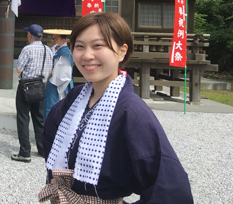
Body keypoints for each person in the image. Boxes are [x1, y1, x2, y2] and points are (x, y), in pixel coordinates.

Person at [40, 12, 193, 203]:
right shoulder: (76, 97)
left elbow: (171, 189)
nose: (87, 55)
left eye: (98, 46)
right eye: (79, 46)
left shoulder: (133, 112)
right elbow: (50, 136)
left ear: (122, 51)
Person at [12, 24, 53, 163]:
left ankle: (25, 152)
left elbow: (18, 69)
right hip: (41, 86)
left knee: (23, 119)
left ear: (30, 35)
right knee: (39, 119)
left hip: (26, 87)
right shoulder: (48, 50)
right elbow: (50, 71)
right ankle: (42, 150)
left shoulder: (27, 49)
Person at [43, 31, 74, 120]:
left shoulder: (65, 54)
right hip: (54, 83)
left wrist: (51, 79)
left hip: (58, 86)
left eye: (55, 39)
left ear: (63, 40)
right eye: (52, 38)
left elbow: (63, 75)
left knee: (54, 109)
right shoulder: (58, 51)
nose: (53, 41)